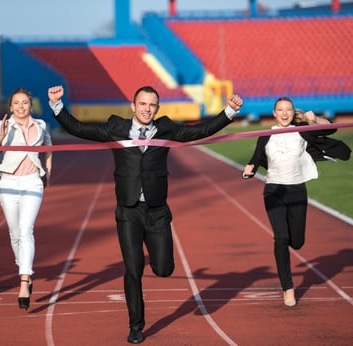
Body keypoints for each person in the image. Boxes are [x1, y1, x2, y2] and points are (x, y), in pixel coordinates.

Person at [48, 85, 243, 343]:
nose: (147, 109)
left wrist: (229, 111)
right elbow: (79, 129)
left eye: (152, 105)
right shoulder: (115, 128)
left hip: (157, 211)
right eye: (143, 104)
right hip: (128, 211)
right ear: (133, 106)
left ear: (157, 108)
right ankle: (135, 326)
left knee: (163, 269)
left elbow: (200, 131)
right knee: (133, 270)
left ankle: (160, 261)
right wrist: (56, 105)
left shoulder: (167, 129)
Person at [243, 97, 350, 307]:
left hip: (297, 190)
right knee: (280, 238)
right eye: (280, 110)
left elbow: (331, 129)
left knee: (297, 242)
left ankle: (290, 251)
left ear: (293, 113)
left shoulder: (301, 129)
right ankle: (288, 288)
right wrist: (249, 169)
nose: (284, 113)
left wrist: (315, 119)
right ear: (274, 113)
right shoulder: (266, 135)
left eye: (288, 110)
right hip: (274, 191)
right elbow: (255, 158)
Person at [0, 87, 52, 310]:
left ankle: (24, 280)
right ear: (10, 107)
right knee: (14, 234)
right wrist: (1, 136)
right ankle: (24, 268)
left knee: (26, 230)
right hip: (9, 183)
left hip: (32, 181)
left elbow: (49, 150)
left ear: (30, 105)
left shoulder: (41, 125)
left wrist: (47, 173)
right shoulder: (3, 125)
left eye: (24, 103)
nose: (21, 107)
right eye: (16, 103)